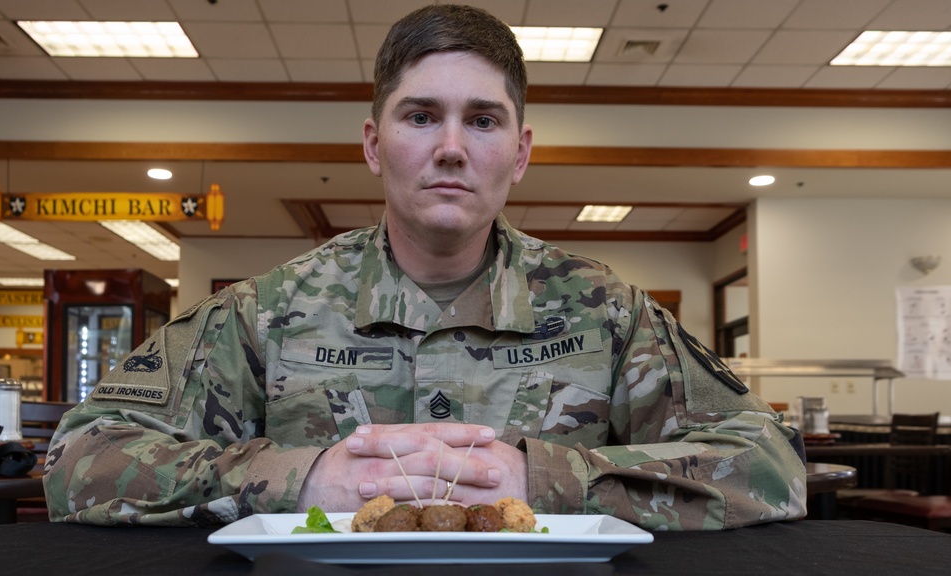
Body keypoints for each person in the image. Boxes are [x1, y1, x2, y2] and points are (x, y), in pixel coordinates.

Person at [43, 4, 806, 530]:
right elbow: (80, 455)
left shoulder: (606, 311)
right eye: (420, 116)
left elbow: (771, 460)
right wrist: (297, 479)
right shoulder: (267, 311)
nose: (451, 147)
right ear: (375, 144)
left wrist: (542, 482)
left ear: (521, 151)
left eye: (481, 120)